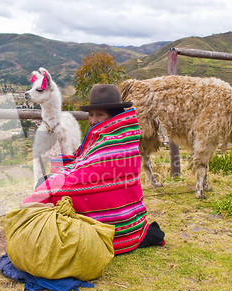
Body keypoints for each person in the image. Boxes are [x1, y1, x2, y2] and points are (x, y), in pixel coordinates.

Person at [24, 84, 165, 255]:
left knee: (48, 188)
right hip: (130, 222)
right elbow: (85, 165)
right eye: (91, 115)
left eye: (100, 114)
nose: (94, 120)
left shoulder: (114, 142)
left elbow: (86, 177)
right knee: (49, 180)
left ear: (113, 117)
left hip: (114, 227)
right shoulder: (116, 138)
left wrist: (51, 184)